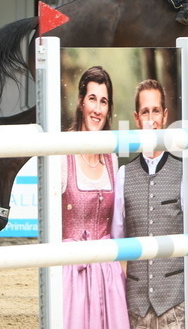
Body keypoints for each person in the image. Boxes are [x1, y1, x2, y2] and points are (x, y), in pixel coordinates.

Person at [112, 79, 185, 329]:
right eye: (145, 111)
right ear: (136, 118)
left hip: (175, 306)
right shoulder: (123, 174)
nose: (151, 118)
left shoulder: (183, 171)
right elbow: (117, 236)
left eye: (156, 111)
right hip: (135, 306)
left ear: (165, 116)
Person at [62, 65, 130, 329]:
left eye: (103, 101)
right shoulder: (61, 151)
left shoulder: (111, 158)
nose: (98, 110)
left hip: (107, 275)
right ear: (81, 102)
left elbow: (117, 226)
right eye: (92, 99)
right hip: (71, 274)